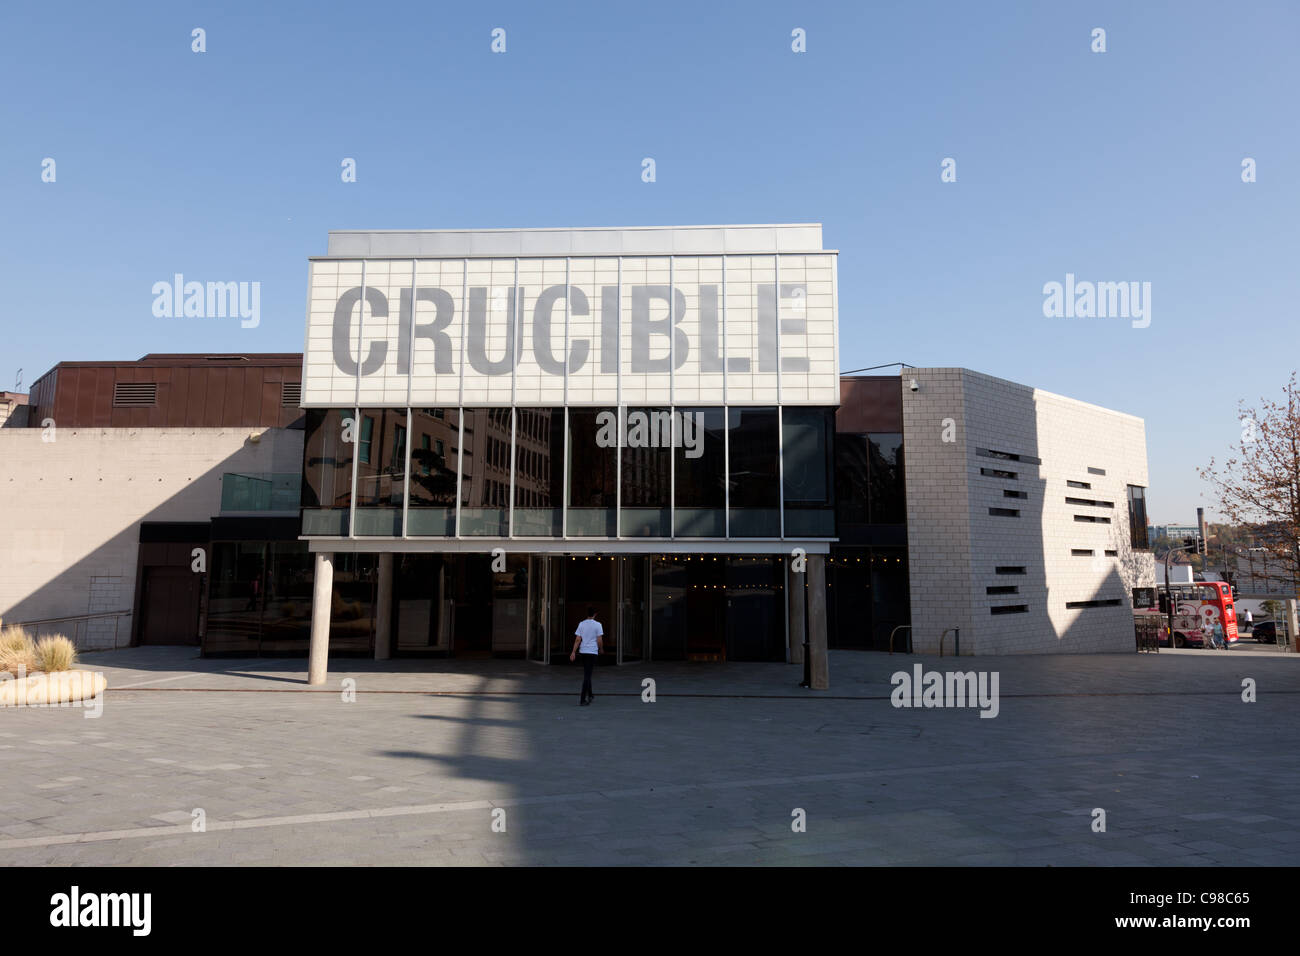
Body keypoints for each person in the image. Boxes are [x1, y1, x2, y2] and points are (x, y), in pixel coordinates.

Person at [570, 607, 603, 706]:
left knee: (587, 673)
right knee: (587, 675)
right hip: (593, 652)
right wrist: (601, 648)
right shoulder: (598, 625)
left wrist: (573, 652)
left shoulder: (581, 624)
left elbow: (577, 639)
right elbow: (599, 639)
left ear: (587, 614)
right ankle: (582, 699)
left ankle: (591, 694)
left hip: (583, 652)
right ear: (595, 614)